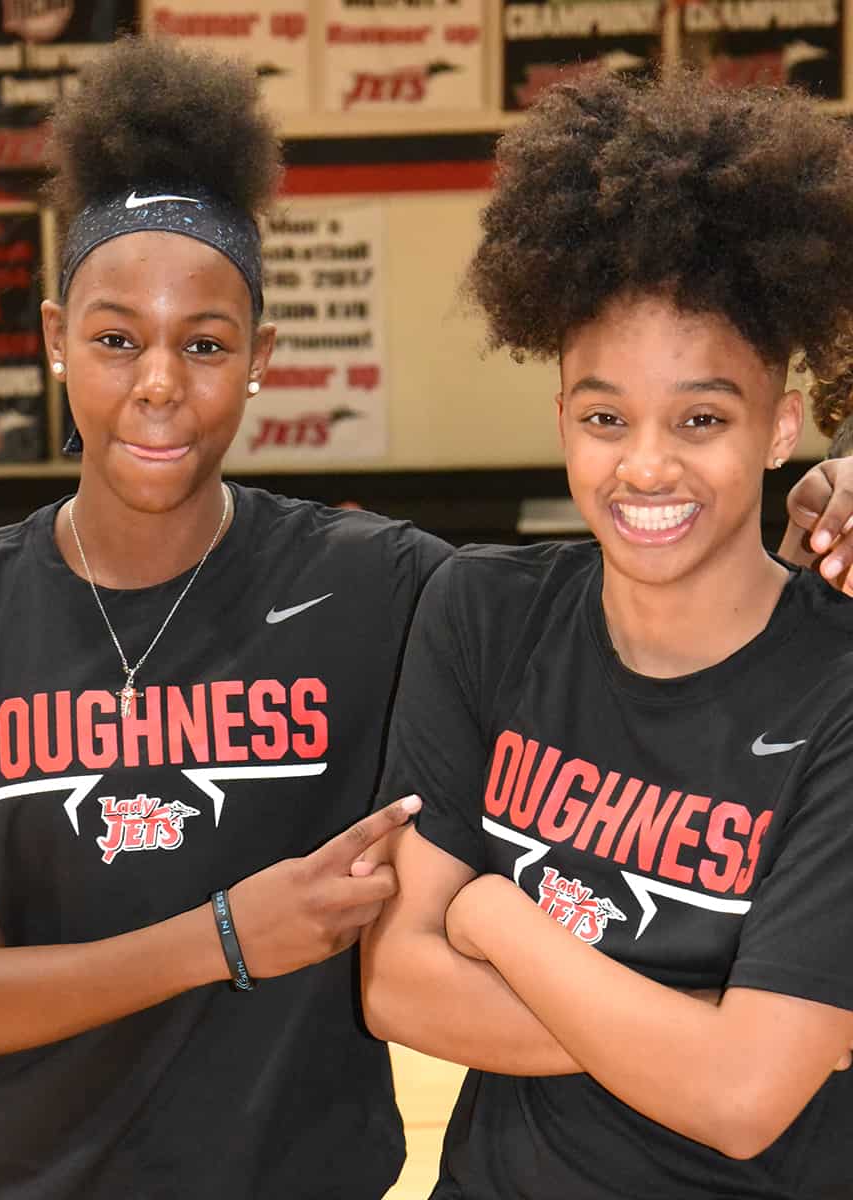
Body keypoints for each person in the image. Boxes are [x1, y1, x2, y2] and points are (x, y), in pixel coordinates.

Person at [0, 38, 447, 1200]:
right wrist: (228, 934)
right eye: (115, 340)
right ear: (55, 340)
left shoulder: (375, 587)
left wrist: (816, 516)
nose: (158, 382)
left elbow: (633, 616)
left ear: (258, 358)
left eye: (203, 345)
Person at [363, 72, 853, 1198]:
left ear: (779, 421)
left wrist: (493, 916)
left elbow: (739, 1109)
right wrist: (708, 1037)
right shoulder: (482, 614)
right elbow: (394, 982)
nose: (643, 466)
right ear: (559, 421)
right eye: (602, 417)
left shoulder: (833, 686)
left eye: (698, 418)